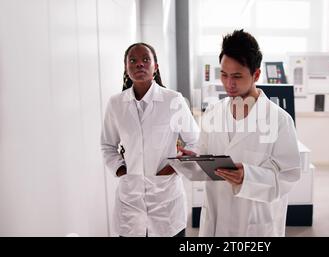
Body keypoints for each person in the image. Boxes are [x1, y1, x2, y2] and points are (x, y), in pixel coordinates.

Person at [179, 30, 302, 236]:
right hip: (217, 217)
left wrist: (248, 177)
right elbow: (205, 158)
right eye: (224, 75)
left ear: (256, 74)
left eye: (237, 76)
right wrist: (194, 160)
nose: (229, 84)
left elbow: (288, 177)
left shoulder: (279, 120)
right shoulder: (212, 113)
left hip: (254, 223)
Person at [101, 42, 199, 237]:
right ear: (126, 67)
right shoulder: (116, 104)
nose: (140, 64)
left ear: (156, 66)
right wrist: (121, 170)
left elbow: (195, 141)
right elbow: (107, 145)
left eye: (146, 59)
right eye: (133, 60)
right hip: (130, 202)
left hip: (166, 200)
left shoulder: (174, 100)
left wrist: (174, 167)